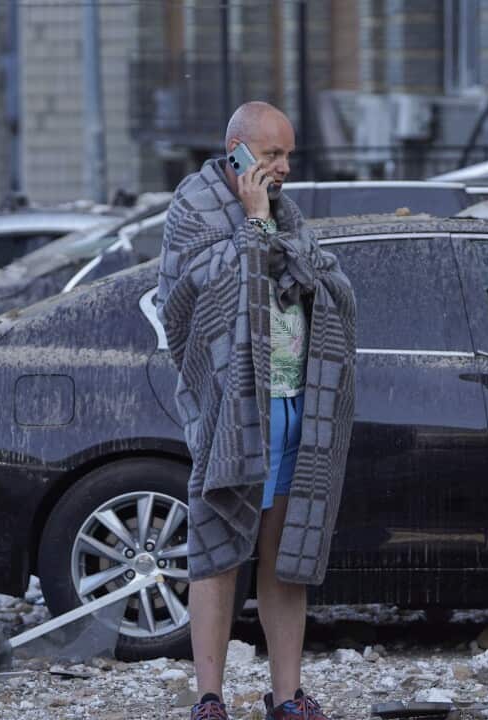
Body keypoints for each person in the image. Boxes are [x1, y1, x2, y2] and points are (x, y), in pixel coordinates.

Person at [155, 101, 357, 720]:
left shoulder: (285, 212)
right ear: (237, 151)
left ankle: (287, 697)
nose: (285, 166)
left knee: (286, 556)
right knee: (217, 551)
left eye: (289, 154)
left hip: (296, 405)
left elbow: (325, 281)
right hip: (232, 410)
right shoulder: (194, 208)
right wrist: (253, 228)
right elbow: (189, 298)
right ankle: (210, 698)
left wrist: (273, 238)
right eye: (273, 154)